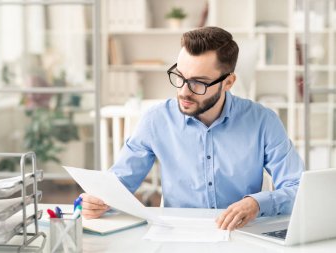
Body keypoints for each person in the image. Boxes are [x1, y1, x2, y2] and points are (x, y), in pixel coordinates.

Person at [80, 27, 304, 231]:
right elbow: (117, 185)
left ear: (228, 82)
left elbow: (298, 189)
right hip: (177, 235)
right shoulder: (155, 120)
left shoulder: (263, 121)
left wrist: (256, 203)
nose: (184, 92)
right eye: (180, 76)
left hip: (242, 235)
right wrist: (97, 202)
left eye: (198, 82)